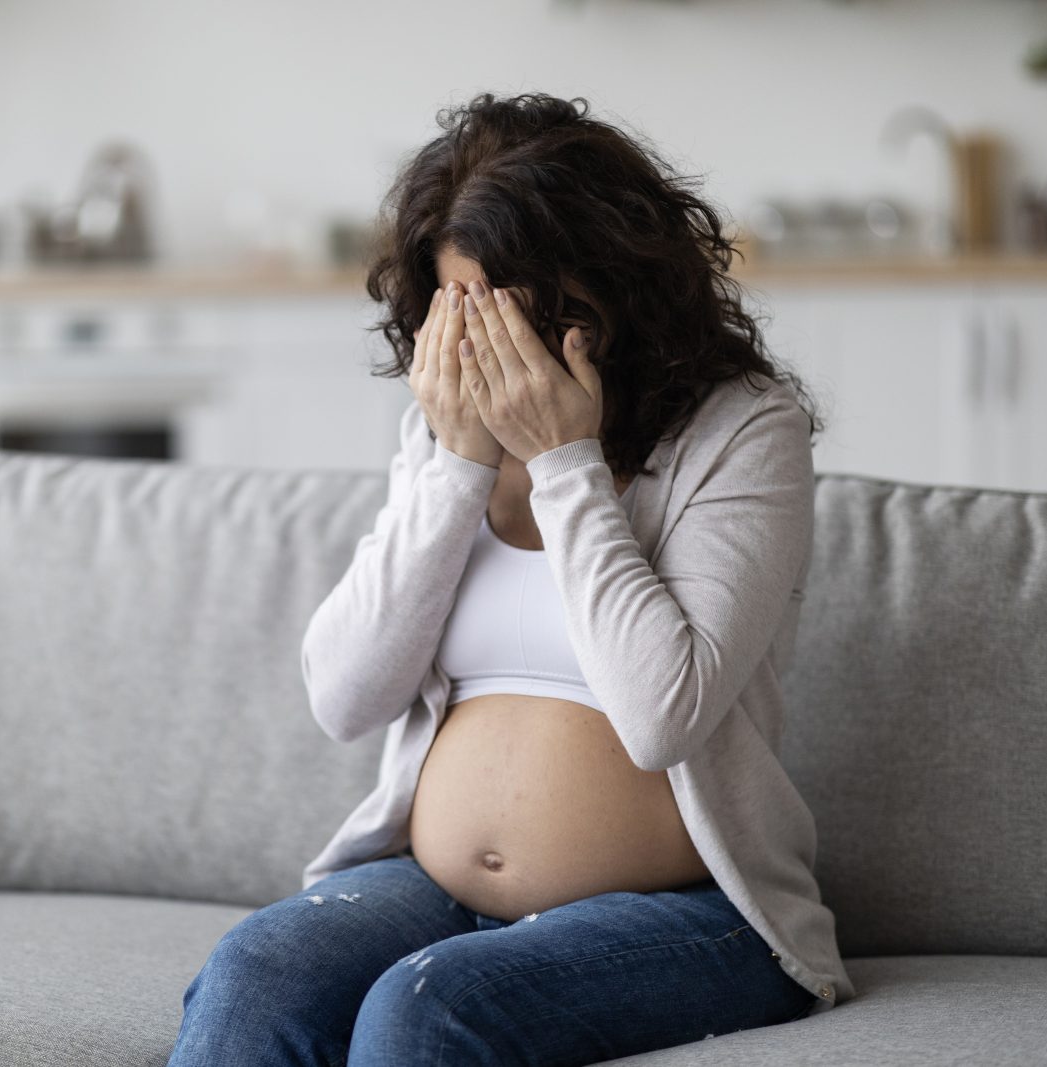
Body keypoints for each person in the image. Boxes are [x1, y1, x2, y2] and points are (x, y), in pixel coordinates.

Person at [168, 90, 852, 1067]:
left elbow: (662, 715)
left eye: (523, 314)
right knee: (257, 970)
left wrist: (566, 464)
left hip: (696, 911)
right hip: (436, 886)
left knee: (427, 1007)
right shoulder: (444, 430)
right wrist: (453, 466)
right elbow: (343, 696)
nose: (496, 351)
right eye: (464, 311)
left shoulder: (741, 427)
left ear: (614, 288)